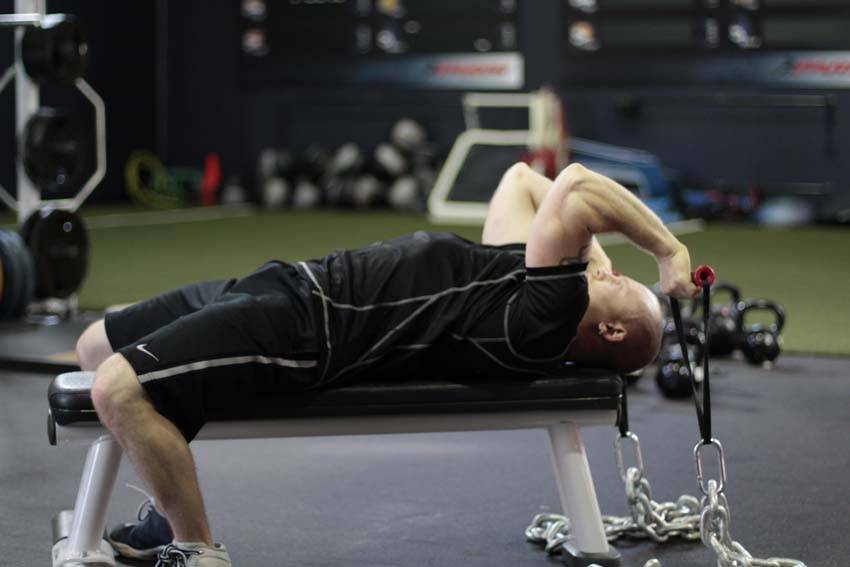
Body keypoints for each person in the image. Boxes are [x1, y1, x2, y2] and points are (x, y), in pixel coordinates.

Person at [75, 162, 698, 567]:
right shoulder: (517, 285)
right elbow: (519, 182)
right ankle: (166, 509)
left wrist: (667, 251)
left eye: (621, 284)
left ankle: (196, 549)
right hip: (288, 285)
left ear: (609, 329)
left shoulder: (539, 321)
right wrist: (591, 258)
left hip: (309, 325)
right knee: (94, 346)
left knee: (117, 389)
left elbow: (576, 186)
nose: (612, 271)